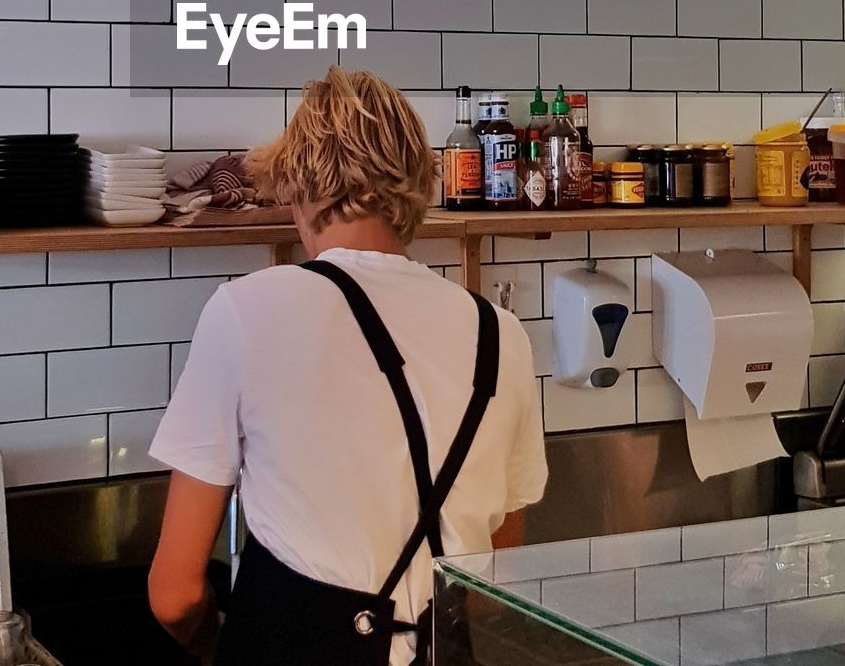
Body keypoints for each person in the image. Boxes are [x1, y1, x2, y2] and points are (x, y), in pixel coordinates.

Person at [148, 67, 547, 665]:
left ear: (301, 184)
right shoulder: (502, 337)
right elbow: (491, 583)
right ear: (417, 184)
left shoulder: (247, 311)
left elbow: (174, 595)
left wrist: (216, 646)